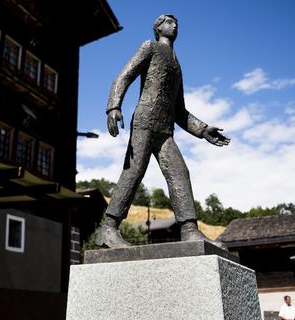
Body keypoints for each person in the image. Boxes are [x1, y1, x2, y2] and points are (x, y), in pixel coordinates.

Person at [95, 14, 230, 248]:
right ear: (157, 28)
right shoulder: (150, 47)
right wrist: (113, 106)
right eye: (168, 21)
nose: (174, 25)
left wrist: (203, 130)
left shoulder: (177, 66)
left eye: (176, 22)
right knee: (134, 172)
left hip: (164, 130)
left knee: (180, 173)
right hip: (145, 122)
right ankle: (108, 229)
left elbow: (180, 111)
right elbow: (124, 76)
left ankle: (189, 230)